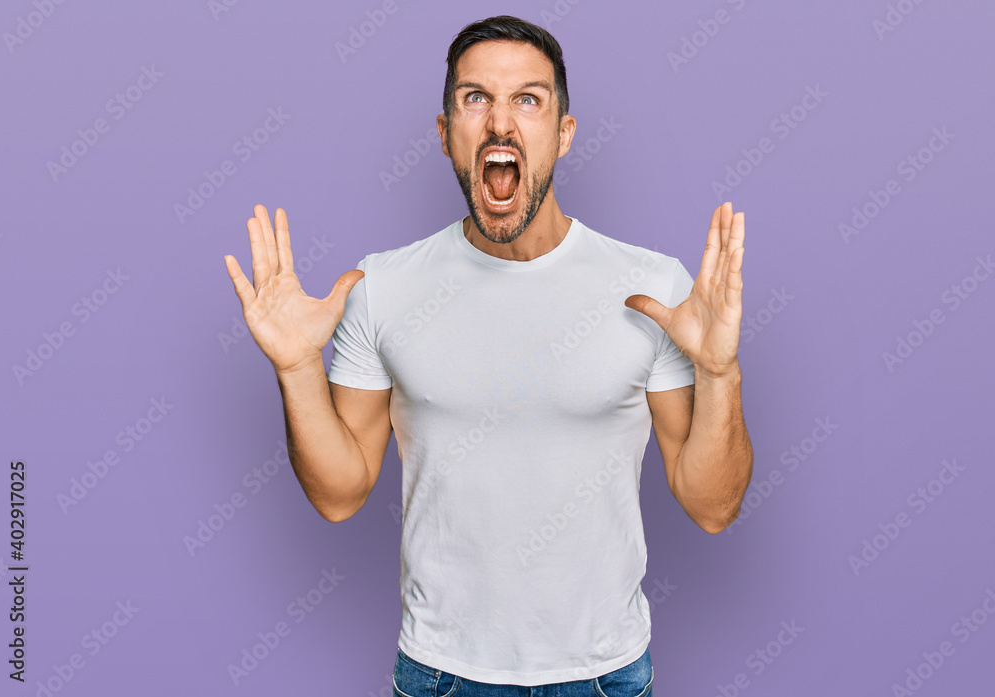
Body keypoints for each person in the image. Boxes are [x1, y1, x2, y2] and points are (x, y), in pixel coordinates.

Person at [224, 14, 753, 696]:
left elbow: (713, 505)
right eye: (475, 98)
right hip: (441, 673)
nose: (500, 124)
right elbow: (339, 492)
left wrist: (719, 371)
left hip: (602, 675)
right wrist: (297, 368)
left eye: (528, 100)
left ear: (563, 133)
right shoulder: (384, 287)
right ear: (447, 135)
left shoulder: (653, 289)